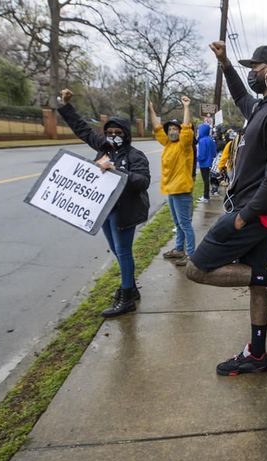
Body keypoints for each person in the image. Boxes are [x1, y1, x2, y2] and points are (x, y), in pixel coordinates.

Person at [185, 41, 267, 376]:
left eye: (254, 67)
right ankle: (256, 354)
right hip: (251, 208)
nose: (251, 73)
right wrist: (225, 65)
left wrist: (242, 218)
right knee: (256, 281)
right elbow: (241, 97)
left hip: (254, 212)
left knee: (196, 268)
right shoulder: (266, 106)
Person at [57, 88, 151, 317]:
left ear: (126, 134)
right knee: (117, 250)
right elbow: (83, 130)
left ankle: (127, 295)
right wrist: (66, 105)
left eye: (118, 132)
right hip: (105, 210)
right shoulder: (104, 147)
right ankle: (131, 287)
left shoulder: (135, 155)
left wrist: (118, 171)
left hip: (125, 211)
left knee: (124, 251)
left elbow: (143, 181)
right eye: (109, 132)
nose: (113, 135)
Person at [148, 96, 196, 267]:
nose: (172, 131)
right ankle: (178, 249)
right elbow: (157, 127)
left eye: (176, 128)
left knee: (185, 224)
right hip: (171, 191)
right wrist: (151, 110)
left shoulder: (184, 145)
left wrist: (186, 107)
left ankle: (191, 255)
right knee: (178, 224)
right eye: (171, 129)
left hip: (182, 191)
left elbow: (187, 128)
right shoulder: (168, 144)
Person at [196, 122, 216, 203]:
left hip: (204, 163)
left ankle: (206, 197)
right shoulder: (211, 139)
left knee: (205, 180)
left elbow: (202, 155)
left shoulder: (202, 140)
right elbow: (214, 153)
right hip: (210, 162)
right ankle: (206, 196)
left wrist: (197, 159)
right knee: (207, 179)